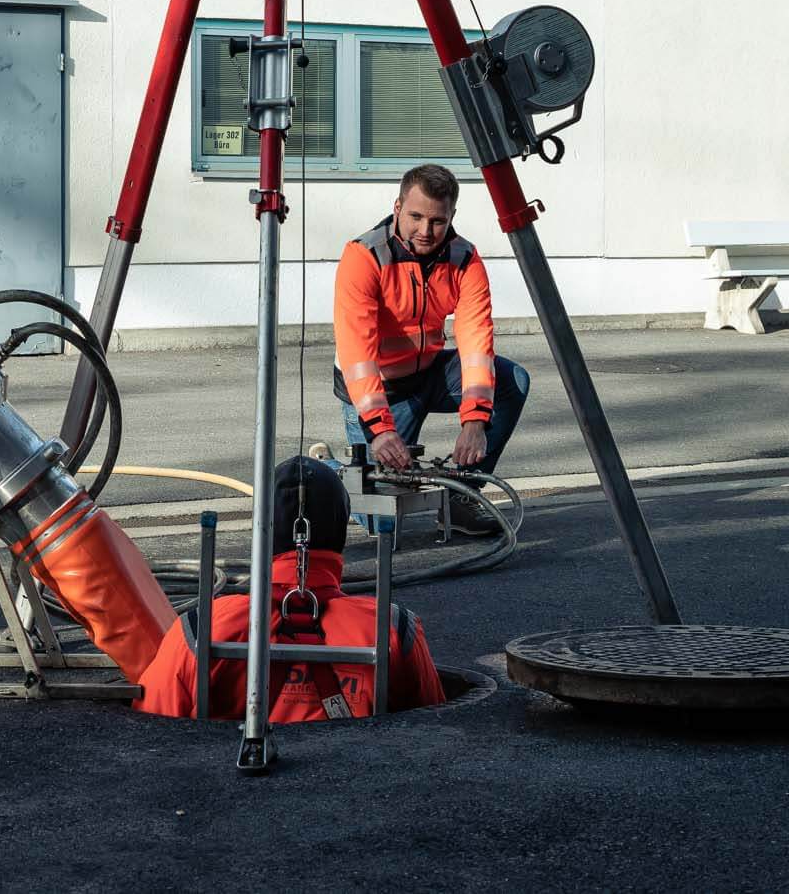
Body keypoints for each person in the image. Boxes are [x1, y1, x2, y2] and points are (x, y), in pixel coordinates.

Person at [137, 457, 445, 720]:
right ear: (340, 532)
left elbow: (155, 730)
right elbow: (431, 733)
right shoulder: (391, 627)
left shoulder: (200, 627)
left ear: (260, 531)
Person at [332, 163, 530, 533]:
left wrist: (475, 421)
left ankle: (461, 500)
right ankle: (326, 470)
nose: (425, 231)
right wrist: (381, 430)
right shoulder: (364, 256)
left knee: (512, 381)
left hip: (427, 373)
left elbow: (475, 341)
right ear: (397, 207)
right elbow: (357, 354)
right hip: (380, 390)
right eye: (416, 216)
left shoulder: (464, 258)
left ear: (451, 216)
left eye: (437, 221)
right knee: (378, 521)